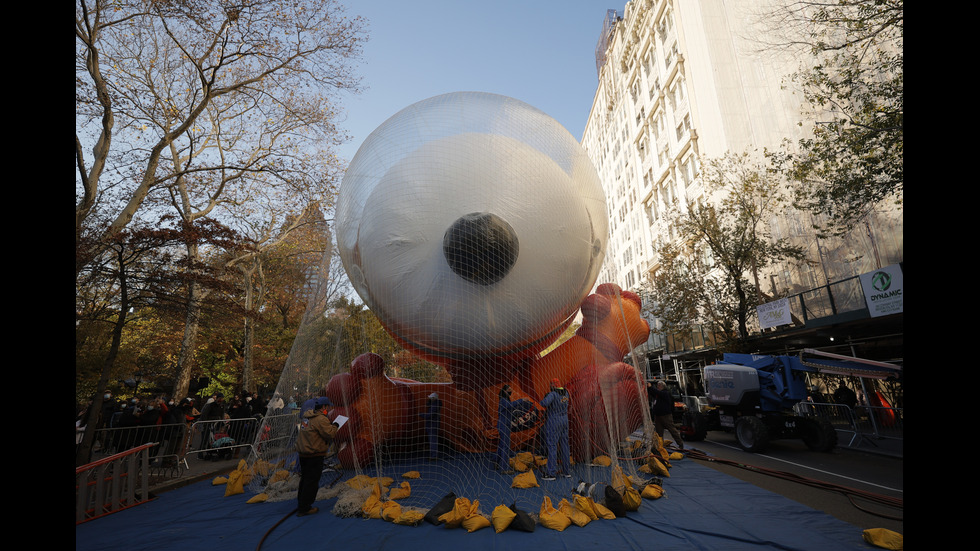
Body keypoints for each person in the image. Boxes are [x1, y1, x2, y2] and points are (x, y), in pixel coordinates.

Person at [294, 397, 339, 517]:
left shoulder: (306, 418)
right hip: (314, 454)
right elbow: (329, 433)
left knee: (304, 479)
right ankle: (305, 508)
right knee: (312, 481)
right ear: (324, 407)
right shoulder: (320, 419)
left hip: (303, 454)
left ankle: (301, 503)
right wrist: (335, 425)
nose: (329, 409)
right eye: (328, 407)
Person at [495, 385, 532, 472]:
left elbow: (512, 407)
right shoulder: (504, 401)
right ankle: (504, 468)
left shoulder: (506, 400)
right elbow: (510, 405)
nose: (510, 391)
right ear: (504, 391)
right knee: (506, 446)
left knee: (502, 445)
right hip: (503, 425)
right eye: (509, 390)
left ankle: (497, 462)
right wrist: (522, 400)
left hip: (504, 424)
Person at [539, 378, 570, 480]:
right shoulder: (566, 393)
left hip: (554, 421)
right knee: (565, 446)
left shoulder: (552, 394)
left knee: (552, 447)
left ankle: (551, 473)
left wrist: (544, 398)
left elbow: (544, 403)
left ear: (552, 385)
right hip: (565, 420)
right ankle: (566, 471)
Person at [652, 381, 684, 449]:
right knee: (658, 433)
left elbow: (658, 392)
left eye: (659, 385)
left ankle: (680, 444)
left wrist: (650, 387)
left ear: (663, 386)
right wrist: (649, 388)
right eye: (657, 385)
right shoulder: (658, 395)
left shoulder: (665, 393)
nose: (657, 387)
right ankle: (660, 446)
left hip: (665, 416)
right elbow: (653, 393)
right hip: (658, 416)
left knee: (672, 430)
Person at [420, 392, 442, 460]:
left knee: (433, 440)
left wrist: (421, 414)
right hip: (432, 424)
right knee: (432, 440)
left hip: (432, 425)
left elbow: (430, 415)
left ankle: (434, 455)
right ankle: (433, 455)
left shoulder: (434, 406)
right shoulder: (435, 405)